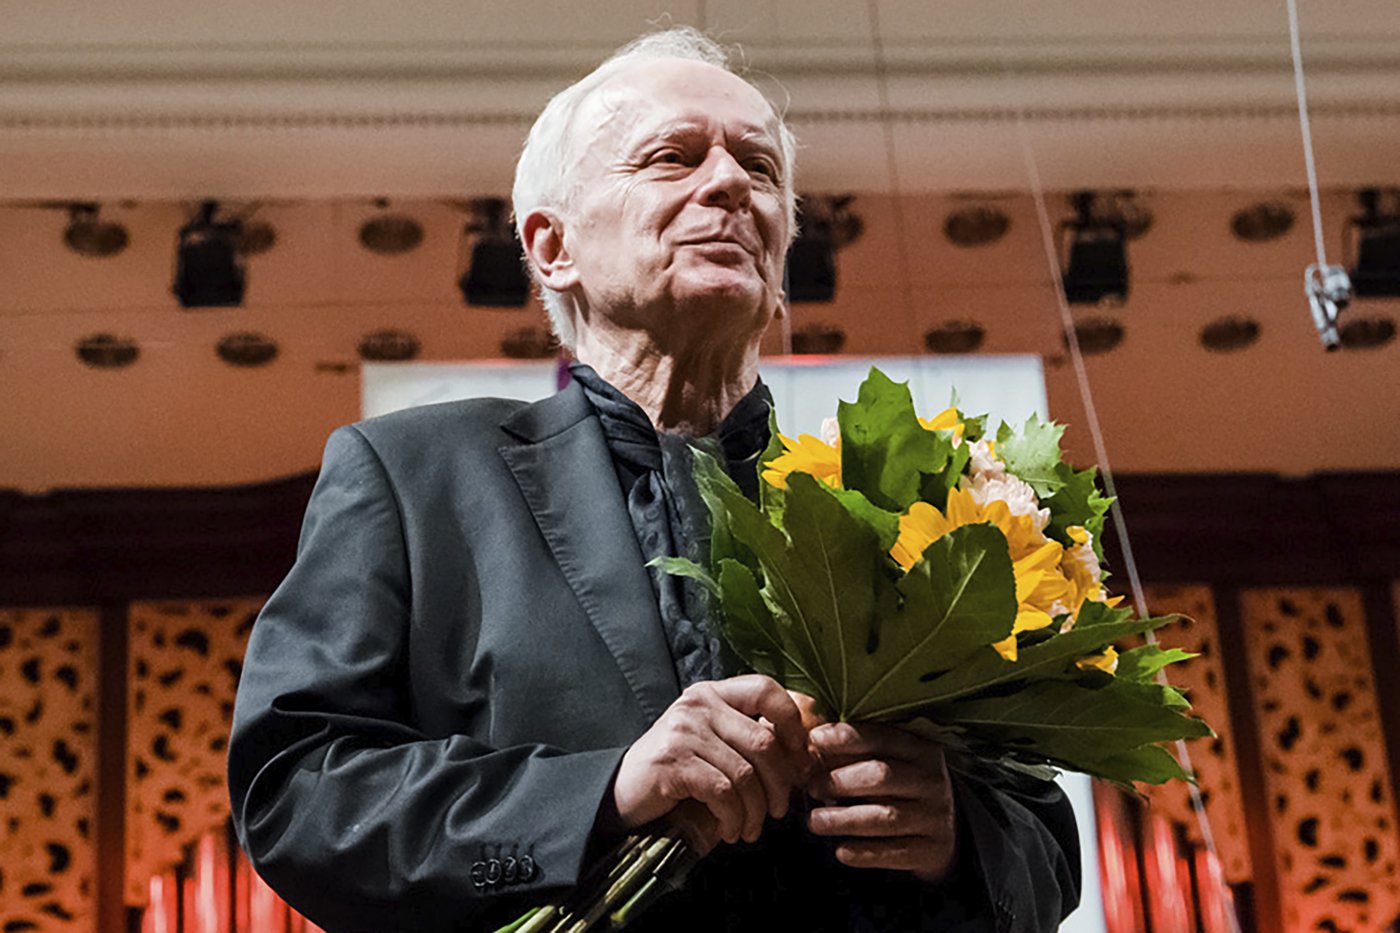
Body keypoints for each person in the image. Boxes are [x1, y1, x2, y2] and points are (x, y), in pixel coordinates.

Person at [228, 28, 1080, 932]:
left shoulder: (892, 503)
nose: (729, 186)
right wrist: (604, 790)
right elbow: (299, 792)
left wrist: (955, 831)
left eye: (760, 167)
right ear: (552, 246)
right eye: (673, 158)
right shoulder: (411, 474)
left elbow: (1044, 842)